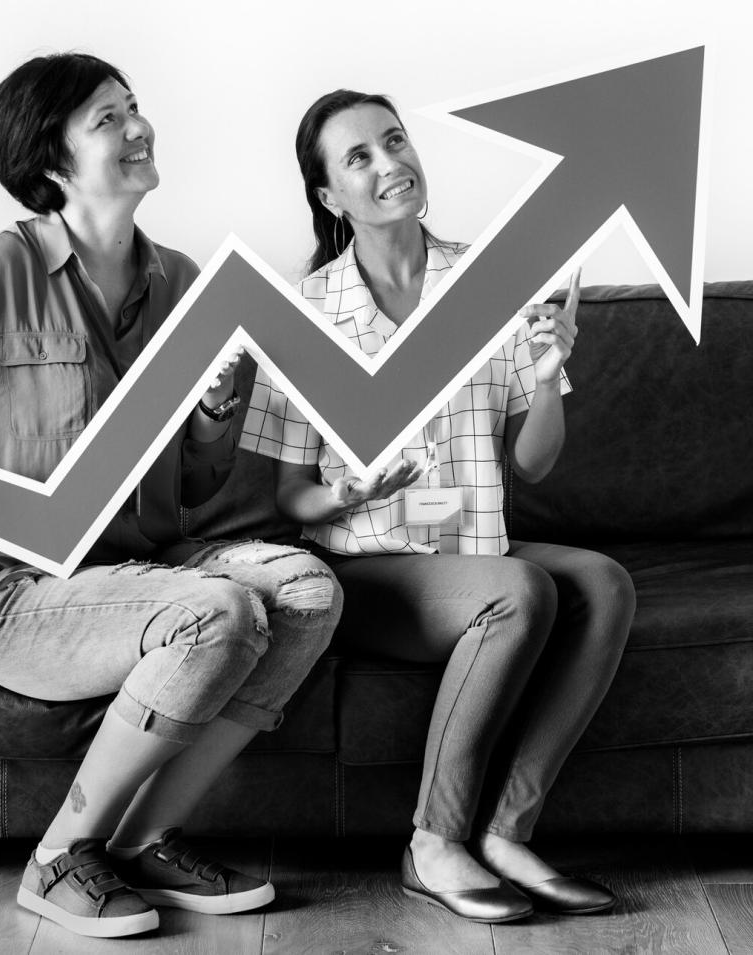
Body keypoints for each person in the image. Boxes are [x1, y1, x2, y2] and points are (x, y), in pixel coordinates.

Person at [0, 54, 342, 940]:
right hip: (12, 595)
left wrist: (211, 421)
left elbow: (195, 490)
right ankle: (59, 857)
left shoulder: (181, 282)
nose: (138, 127)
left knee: (306, 590)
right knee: (216, 612)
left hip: (150, 566)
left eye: (135, 107)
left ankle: (146, 837)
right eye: (107, 118)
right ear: (51, 160)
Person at [240, 89, 636, 923]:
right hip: (369, 567)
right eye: (360, 157)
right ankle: (434, 841)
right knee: (517, 590)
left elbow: (534, 464)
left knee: (603, 582)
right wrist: (343, 493)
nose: (390, 164)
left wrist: (547, 376)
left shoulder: (491, 283)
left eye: (395, 141)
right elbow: (290, 498)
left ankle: (506, 832)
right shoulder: (304, 314)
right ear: (329, 196)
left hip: (474, 545)